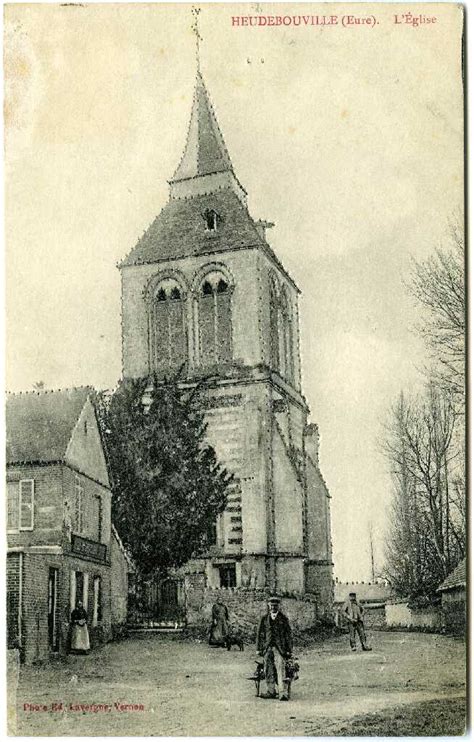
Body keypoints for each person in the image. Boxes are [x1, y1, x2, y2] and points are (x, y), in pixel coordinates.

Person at [256, 596, 293, 701]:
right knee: (268, 669)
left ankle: (282, 693)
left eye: (275, 605)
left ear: (278, 606)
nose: (273, 607)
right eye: (271, 605)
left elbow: (288, 635)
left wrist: (289, 650)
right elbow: (259, 634)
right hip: (267, 648)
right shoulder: (264, 619)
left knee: (280, 668)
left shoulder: (283, 619)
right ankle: (271, 691)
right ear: (268, 606)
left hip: (279, 649)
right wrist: (259, 648)